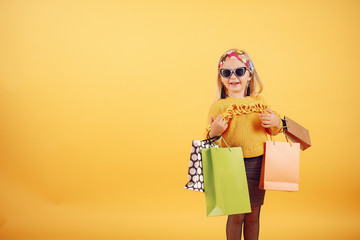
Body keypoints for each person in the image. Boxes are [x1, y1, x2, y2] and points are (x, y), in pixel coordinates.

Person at [205, 49, 283, 240]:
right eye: (226, 73)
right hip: (231, 165)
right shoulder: (219, 106)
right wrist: (214, 132)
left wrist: (276, 123)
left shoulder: (260, 102)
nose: (233, 77)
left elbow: (274, 129)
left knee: (253, 215)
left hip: (258, 164)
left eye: (239, 71)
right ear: (221, 78)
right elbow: (209, 140)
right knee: (236, 215)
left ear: (249, 75)